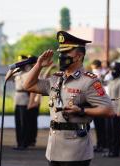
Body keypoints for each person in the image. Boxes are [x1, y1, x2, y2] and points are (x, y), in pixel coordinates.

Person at [22, 31, 115, 166]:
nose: (61, 56)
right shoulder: (56, 78)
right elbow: (28, 85)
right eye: (61, 52)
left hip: (76, 151)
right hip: (54, 148)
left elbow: (109, 110)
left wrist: (82, 110)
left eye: (66, 53)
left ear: (78, 56)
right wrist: (39, 65)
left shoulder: (89, 81)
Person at [6, 55, 37, 150]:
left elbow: (32, 90)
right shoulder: (17, 74)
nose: (21, 64)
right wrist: (13, 68)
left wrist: (31, 102)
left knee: (25, 123)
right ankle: (19, 143)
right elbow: (7, 78)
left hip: (25, 100)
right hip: (17, 100)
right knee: (18, 123)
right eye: (19, 62)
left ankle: (24, 143)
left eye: (22, 62)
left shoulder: (29, 73)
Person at [103, 62, 120, 157]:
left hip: (116, 110)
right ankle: (110, 150)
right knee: (109, 131)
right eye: (111, 69)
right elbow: (100, 81)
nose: (112, 71)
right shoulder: (111, 81)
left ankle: (115, 151)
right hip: (109, 109)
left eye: (113, 69)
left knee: (116, 132)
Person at [90, 59, 107, 152]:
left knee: (102, 125)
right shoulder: (93, 75)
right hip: (94, 102)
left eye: (95, 68)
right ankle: (99, 144)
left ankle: (104, 145)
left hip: (102, 102)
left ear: (99, 67)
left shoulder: (105, 75)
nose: (94, 70)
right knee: (97, 125)